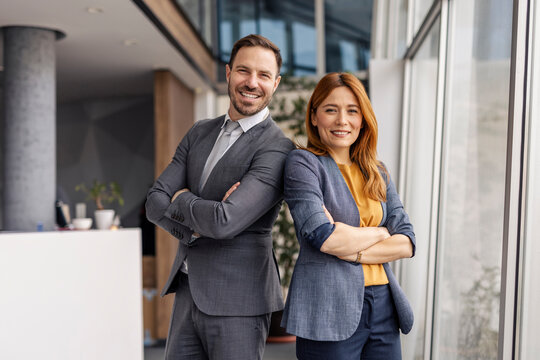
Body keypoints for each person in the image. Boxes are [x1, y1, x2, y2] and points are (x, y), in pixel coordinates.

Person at [145, 34, 294, 360]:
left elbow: (225, 222)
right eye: (244, 70)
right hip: (187, 292)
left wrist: (182, 198)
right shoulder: (199, 131)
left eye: (264, 75)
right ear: (228, 73)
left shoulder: (278, 148)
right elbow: (154, 202)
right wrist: (198, 225)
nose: (252, 82)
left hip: (239, 302)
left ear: (276, 83)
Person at [281, 72, 416, 360]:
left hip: (383, 306)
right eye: (331, 110)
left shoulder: (377, 171)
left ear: (363, 118)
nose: (343, 120)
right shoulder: (303, 164)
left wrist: (352, 248)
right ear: (314, 116)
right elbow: (324, 237)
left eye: (352, 111)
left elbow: (406, 242)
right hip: (327, 306)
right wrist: (381, 232)